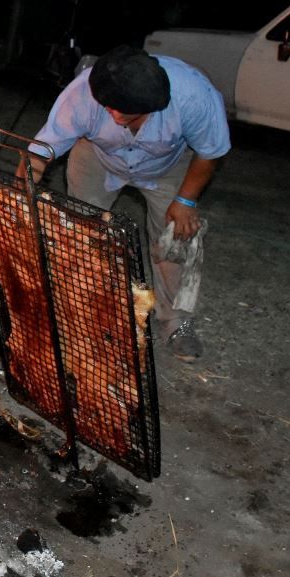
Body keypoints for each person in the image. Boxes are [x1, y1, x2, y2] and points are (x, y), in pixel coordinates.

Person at [24, 45, 231, 361]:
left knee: (176, 237)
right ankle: (81, 313)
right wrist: (21, 189)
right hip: (97, 155)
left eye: (124, 110)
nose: (114, 114)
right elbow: (41, 151)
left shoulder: (195, 96)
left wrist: (186, 199)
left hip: (167, 164)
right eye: (108, 106)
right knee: (83, 233)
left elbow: (211, 152)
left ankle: (176, 323)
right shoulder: (83, 94)